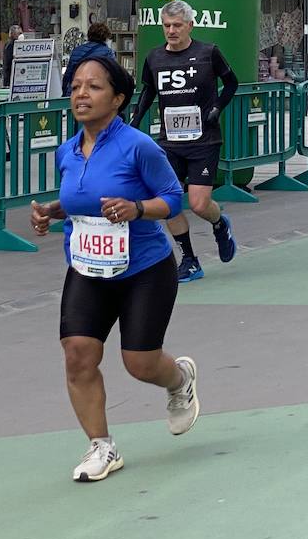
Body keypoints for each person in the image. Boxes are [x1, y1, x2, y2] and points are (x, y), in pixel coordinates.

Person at [28, 56, 199, 482]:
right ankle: (101, 447)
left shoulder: (139, 146)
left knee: (139, 364)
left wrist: (137, 208)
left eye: (93, 87)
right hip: (87, 268)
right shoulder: (67, 151)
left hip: (143, 268)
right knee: (77, 355)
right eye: (75, 87)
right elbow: (80, 200)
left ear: (118, 98)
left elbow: (173, 199)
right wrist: (53, 210)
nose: (81, 95)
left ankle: (178, 380)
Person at [130, 0, 238, 283]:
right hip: (170, 142)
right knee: (168, 202)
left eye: (177, 25)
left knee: (199, 204)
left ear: (190, 25)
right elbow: (147, 92)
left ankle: (219, 223)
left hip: (204, 140)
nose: (171, 31)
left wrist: (216, 109)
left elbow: (231, 83)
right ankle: (189, 259)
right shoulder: (154, 58)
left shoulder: (208, 52)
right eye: (166, 25)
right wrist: (134, 121)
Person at [62, 22, 118, 94]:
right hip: (95, 92)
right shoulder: (108, 52)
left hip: (76, 91)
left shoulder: (76, 51)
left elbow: (68, 75)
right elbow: (114, 74)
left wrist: (65, 92)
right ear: (105, 37)